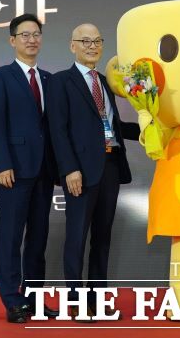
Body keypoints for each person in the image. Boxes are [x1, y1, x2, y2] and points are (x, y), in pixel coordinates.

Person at [47, 23, 139, 322]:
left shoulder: (104, 82)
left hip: (111, 166)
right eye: (85, 41)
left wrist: (149, 129)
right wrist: (69, 169)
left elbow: (111, 124)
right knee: (76, 237)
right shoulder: (61, 81)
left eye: (97, 41)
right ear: (72, 45)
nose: (92, 46)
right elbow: (58, 129)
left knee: (102, 238)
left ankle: (96, 300)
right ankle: (75, 300)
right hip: (81, 171)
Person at [0, 13, 59, 323]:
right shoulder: (0, 76)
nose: (32, 40)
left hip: (44, 170)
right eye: (25, 35)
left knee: (38, 239)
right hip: (14, 170)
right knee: (11, 238)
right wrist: (2, 164)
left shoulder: (50, 79)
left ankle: (34, 298)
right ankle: (12, 300)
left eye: (36, 34)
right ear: (12, 40)